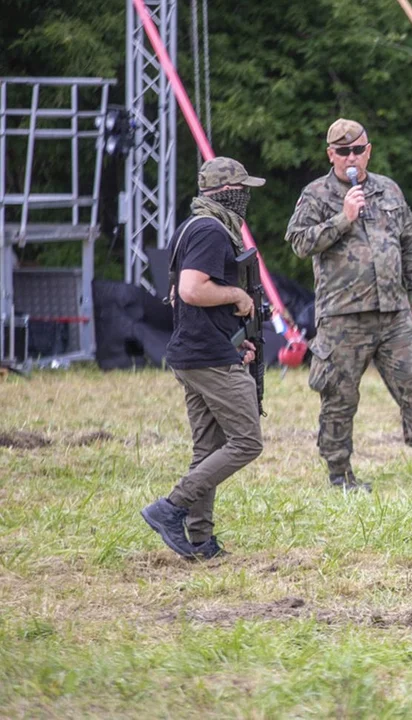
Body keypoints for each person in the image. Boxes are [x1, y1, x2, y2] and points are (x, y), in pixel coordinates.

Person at [286, 118, 412, 492]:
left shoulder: (388, 190)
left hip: (393, 313)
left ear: (368, 150)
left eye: (358, 150)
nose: (351, 157)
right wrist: (343, 218)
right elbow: (298, 242)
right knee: (339, 396)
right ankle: (340, 474)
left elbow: (411, 244)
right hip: (343, 316)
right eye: (343, 152)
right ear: (331, 155)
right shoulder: (316, 194)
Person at [140, 157, 266, 559]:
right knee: (246, 441)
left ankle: (200, 540)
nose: (246, 196)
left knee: (208, 449)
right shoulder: (212, 231)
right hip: (205, 356)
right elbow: (193, 290)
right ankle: (171, 506)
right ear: (227, 192)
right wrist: (239, 296)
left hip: (199, 350)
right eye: (242, 189)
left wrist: (232, 340)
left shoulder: (193, 226)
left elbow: (180, 296)